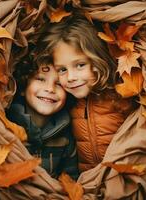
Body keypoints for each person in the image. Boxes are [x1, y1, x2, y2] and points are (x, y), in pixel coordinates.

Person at [37, 13, 138, 173]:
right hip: (91, 185)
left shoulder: (124, 95)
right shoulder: (70, 105)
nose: (70, 77)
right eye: (62, 70)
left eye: (80, 65)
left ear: (97, 60)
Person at [6, 54, 79, 180]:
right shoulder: (6, 124)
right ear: (23, 87)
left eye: (59, 84)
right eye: (40, 79)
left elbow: (71, 179)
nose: (50, 89)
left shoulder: (66, 137)